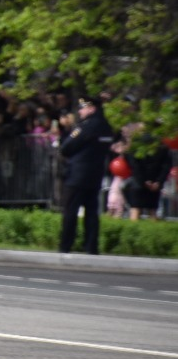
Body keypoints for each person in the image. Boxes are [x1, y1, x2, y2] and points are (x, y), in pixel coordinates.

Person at [58, 95, 115, 254]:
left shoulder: (86, 126)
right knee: (91, 212)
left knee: (70, 211)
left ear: (91, 108)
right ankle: (91, 247)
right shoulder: (106, 126)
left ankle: (65, 245)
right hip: (95, 174)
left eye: (83, 108)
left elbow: (66, 147)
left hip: (77, 174)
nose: (80, 112)